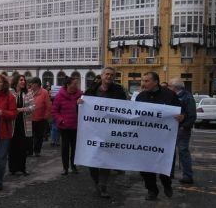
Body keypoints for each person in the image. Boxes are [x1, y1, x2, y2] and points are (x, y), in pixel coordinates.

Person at [79, 67, 127, 197]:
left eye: (112, 75)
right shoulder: (92, 89)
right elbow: (82, 106)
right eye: (107, 74)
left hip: (109, 130)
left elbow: (125, 108)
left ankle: (103, 185)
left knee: (106, 159)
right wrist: (80, 103)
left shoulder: (118, 91)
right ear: (101, 76)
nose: (109, 76)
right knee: (92, 160)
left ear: (114, 77)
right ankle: (97, 182)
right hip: (93, 130)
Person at [136, 72, 183, 200]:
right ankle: (152, 190)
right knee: (146, 166)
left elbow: (180, 112)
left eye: (147, 81)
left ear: (156, 82)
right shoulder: (140, 97)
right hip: (146, 137)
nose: (143, 84)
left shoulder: (169, 95)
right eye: (143, 81)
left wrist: (181, 117)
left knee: (164, 164)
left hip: (165, 138)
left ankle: (166, 183)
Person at [168, 78, 196, 185]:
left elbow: (192, 115)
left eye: (169, 86)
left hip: (182, 129)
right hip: (172, 128)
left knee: (183, 151)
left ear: (175, 87)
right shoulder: (172, 96)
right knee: (170, 151)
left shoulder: (187, 97)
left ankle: (187, 175)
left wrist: (184, 126)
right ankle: (169, 173)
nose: (168, 88)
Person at [53, 77, 82, 176]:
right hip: (64, 127)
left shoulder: (80, 95)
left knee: (75, 148)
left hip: (76, 126)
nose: (76, 86)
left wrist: (81, 103)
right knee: (65, 148)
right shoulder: (59, 96)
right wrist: (61, 120)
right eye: (74, 84)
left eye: (77, 84)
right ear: (68, 85)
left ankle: (73, 166)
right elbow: (55, 111)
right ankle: (65, 168)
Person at [9, 75, 34, 175]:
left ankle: (22, 168)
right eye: (21, 80)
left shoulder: (28, 93)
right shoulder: (10, 92)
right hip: (12, 124)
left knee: (23, 147)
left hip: (24, 123)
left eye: (24, 80)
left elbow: (33, 107)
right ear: (16, 81)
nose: (23, 81)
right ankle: (13, 168)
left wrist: (21, 110)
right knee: (13, 146)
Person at [28, 77, 51, 157]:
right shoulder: (29, 92)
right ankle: (30, 151)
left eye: (32, 83)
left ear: (37, 84)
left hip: (41, 118)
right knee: (29, 136)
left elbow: (48, 106)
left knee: (39, 136)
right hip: (30, 118)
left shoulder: (44, 92)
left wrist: (46, 116)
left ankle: (37, 151)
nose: (30, 85)